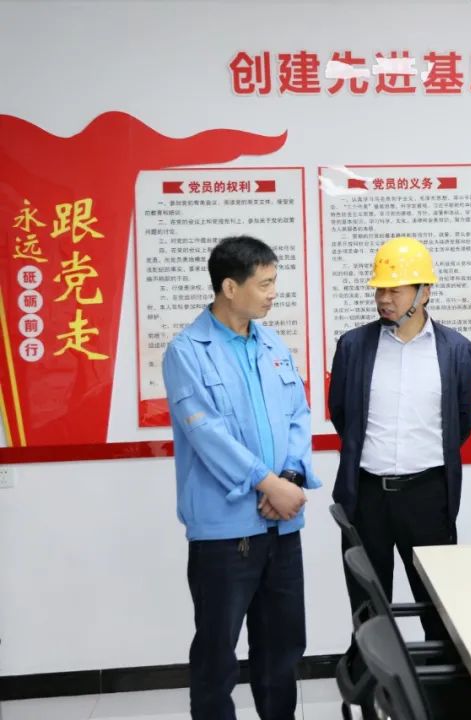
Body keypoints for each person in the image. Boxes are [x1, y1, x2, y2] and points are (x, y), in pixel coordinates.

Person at [163, 235, 319, 720]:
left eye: (275, 282)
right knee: (217, 655)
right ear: (230, 287)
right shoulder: (187, 351)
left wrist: (289, 476)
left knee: (282, 650)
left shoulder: (272, 344)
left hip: (281, 528)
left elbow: (298, 414)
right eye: (265, 283)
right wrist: (268, 484)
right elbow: (206, 434)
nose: (274, 293)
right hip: (225, 534)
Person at [328, 236, 471, 634]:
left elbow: (460, 422)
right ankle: (370, 676)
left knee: (436, 608)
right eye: (380, 289)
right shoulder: (353, 346)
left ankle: (436, 676)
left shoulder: (456, 350)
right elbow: (342, 415)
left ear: (424, 292)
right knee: (369, 610)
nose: (384, 299)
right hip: (366, 497)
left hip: (428, 497)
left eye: (395, 290)